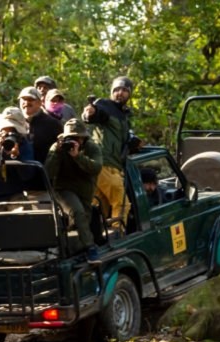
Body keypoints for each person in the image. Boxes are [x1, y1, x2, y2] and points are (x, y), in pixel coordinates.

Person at [82, 76, 142, 225]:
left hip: (111, 165)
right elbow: (93, 115)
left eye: (124, 90)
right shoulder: (104, 105)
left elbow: (120, 138)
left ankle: (96, 238)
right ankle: (118, 236)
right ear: (111, 92)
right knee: (121, 204)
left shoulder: (124, 115)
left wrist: (133, 143)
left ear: (130, 94)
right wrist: (90, 112)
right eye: (116, 90)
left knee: (99, 206)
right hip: (104, 163)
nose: (120, 93)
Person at [45, 118, 103, 261]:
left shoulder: (91, 148)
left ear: (84, 138)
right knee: (77, 212)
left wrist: (78, 157)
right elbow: (48, 172)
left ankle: (75, 248)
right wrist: (57, 153)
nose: (75, 141)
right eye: (71, 138)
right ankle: (90, 247)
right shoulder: (57, 148)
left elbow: (96, 168)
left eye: (78, 138)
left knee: (84, 220)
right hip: (63, 188)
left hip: (85, 189)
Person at [17, 86, 62, 164]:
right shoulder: (14, 122)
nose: (26, 103)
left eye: (31, 99)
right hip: (18, 171)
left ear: (40, 102)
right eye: (23, 99)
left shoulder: (53, 124)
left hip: (44, 172)